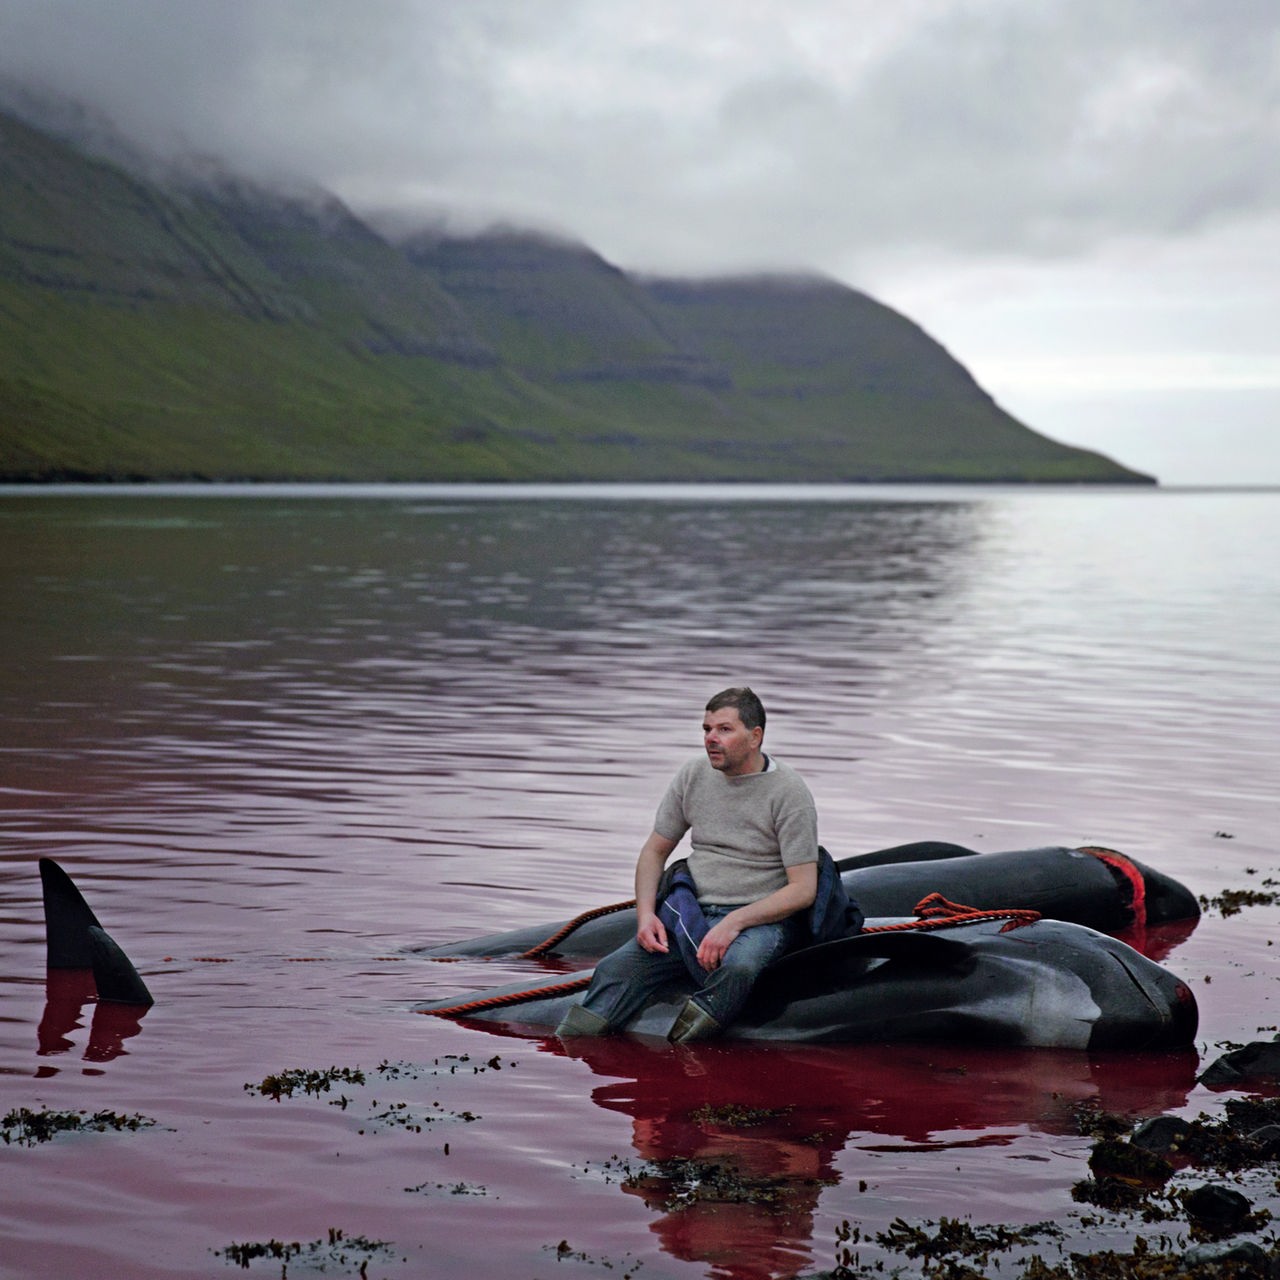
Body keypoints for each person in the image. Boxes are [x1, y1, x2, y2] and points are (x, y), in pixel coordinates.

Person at [557, 687, 859, 1043]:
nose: (711, 739)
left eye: (724, 729)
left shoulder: (789, 792)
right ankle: (571, 1051)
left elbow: (803, 889)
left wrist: (734, 923)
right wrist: (645, 916)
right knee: (614, 968)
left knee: (737, 968)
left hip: (760, 919)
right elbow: (655, 851)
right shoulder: (693, 775)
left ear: (755, 736)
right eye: (706, 729)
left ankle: (682, 1058)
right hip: (692, 910)